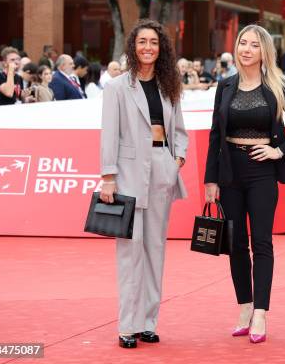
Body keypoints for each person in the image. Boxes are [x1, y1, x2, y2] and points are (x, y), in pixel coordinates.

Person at [203, 24, 285, 344]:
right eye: (242, 43)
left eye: (253, 44)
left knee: (261, 242)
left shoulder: (277, 86)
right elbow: (214, 135)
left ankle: (261, 312)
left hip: (262, 172)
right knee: (236, 243)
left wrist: (279, 150)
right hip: (229, 172)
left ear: (264, 51)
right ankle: (245, 307)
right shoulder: (225, 86)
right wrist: (211, 178)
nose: (246, 49)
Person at [100, 18, 187, 349]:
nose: (148, 47)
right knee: (129, 253)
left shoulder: (169, 86)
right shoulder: (117, 88)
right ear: (133, 47)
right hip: (127, 176)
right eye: (142, 42)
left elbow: (179, 130)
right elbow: (109, 135)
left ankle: (148, 322)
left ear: (161, 47)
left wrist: (176, 160)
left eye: (153, 42)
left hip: (161, 173)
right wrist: (108, 177)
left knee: (155, 250)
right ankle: (127, 324)